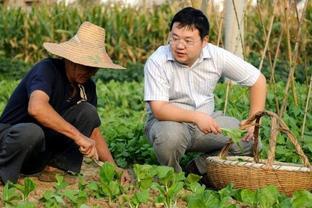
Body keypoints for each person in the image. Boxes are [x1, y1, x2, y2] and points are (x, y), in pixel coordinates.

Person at [0, 21, 130, 185]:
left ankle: (56, 169)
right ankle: (4, 174)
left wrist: (113, 167)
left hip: (38, 153)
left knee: (88, 112)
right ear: (71, 59)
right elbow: (36, 108)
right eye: (85, 65)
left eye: (93, 67)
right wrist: (78, 136)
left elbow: (93, 131)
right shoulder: (47, 70)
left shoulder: (87, 86)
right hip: (12, 143)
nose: (89, 72)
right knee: (32, 131)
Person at [144, 7, 266, 176]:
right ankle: (173, 178)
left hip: (207, 123)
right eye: (175, 38)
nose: (179, 45)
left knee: (250, 143)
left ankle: (198, 168)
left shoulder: (216, 56)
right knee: (169, 138)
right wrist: (196, 118)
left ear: (204, 41)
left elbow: (257, 80)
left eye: (188, 41)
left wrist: (253, 121)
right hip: (169, 122)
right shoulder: (158, 61)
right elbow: (159, 109)